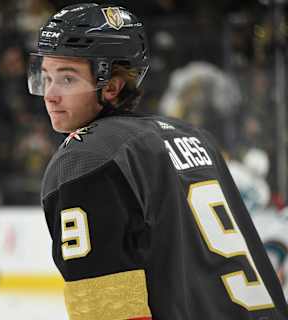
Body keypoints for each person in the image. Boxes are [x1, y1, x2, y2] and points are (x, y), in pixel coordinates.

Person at [27, 3, 288, 320]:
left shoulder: (88, 157)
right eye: (45, 77)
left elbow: (109, 312)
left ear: (112, 85)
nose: (50, 95)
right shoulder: (194, 137)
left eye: (67, 79)